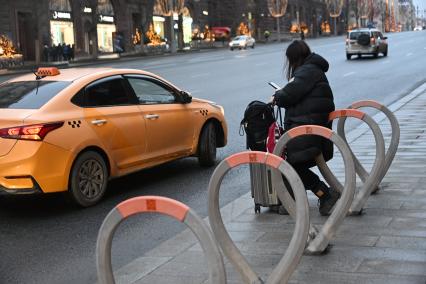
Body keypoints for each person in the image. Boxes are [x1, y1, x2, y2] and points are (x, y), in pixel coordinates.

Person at [269, 40, 340, 216]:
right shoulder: (311, 69)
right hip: (310, 127)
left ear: (295, 59)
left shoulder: (308, 71)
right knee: (288, 162)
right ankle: (305, 197)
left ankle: (325, 193)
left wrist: (277, 96)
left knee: (289, 164)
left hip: (309, 130)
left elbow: (289, 94)